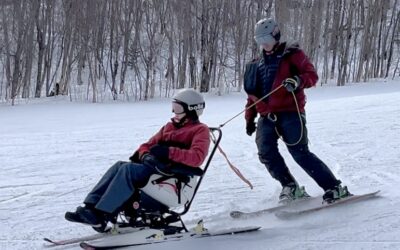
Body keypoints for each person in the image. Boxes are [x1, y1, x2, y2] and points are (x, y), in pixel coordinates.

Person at [65, 89, 210, 229]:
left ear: (191, 110)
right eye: (173, 107)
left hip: (174, 177)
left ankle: (103, 214)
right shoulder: (169, 127)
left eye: (178, 108)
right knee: (119, 165)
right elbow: (146, 145)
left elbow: (197, 157)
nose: (173, 112)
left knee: (128, 170)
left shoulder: (200, 130)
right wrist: (145, 155)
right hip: (157, 170)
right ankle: (90, 208)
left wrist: (168, 152)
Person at [243, 18, 351, 203]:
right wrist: (249, 118)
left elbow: (311, 76)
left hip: (290, 112)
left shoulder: (292, 54)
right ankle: (290, 187)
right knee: (266, 152)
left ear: (276, 36)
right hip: (266, 116)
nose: (264, 44)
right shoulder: (254, 64)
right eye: (259, 40)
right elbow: (253, 96)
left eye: (267, 39)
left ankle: (334, 188)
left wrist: (297, 81)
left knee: (300, 152)